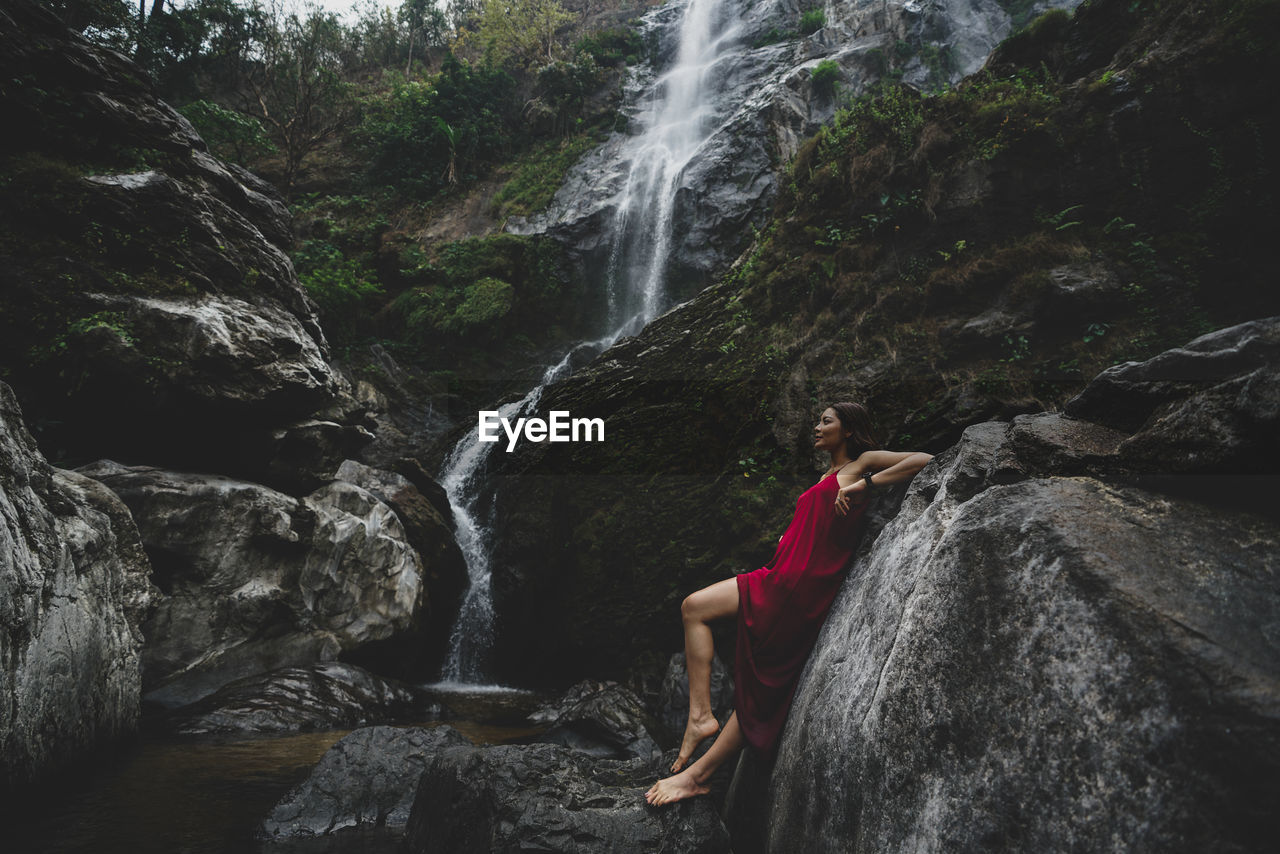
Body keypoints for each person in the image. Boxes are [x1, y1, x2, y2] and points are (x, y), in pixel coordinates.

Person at [645, 402, 933, 806]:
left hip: (798, 590)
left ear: (848, 430)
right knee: (694, 607)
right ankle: (700, 716)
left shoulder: (861, 463)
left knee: (764, 685)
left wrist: (864, 484)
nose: (816, 427)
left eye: (825, 421)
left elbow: (927, 460)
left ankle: (697, 775)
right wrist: (788, 537)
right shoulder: (825, 476)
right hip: (779, 575)